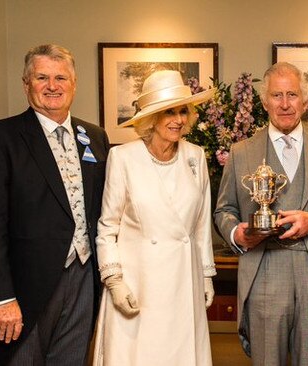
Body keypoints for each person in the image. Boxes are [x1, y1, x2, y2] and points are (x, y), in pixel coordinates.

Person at [0, 44, 110, 365]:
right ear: (26, 83)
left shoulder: (96, 137)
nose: (52, 86)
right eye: (41, 77)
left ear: (73, 84)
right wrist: (1, 298)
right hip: (23, 289)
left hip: (84, 277)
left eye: (61, 78)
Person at [214, 62, 308, 365]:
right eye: (276, 95)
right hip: (264, 271)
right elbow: (224, 210)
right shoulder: (241, 152)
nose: (284, 104)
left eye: (292, 95)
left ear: (306, 102)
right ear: (264, 101)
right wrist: (236, 233)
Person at [91, 70, 216, 366]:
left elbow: (200, 226)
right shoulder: (123, 158)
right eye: (168, 112)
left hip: (184, 282)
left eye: (183, 111)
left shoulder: (195, 156)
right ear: (150, 118)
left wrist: (207, 275)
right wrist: (114, 281)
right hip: (138, 285)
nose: (179, 120)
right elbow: (108, 227)